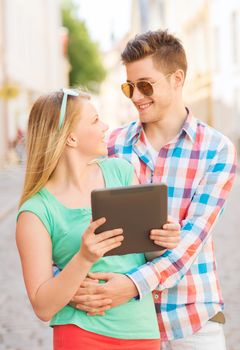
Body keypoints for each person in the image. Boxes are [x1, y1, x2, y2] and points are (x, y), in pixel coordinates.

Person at [71, 30, 237, 349]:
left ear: (177, 78)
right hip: (123, 323)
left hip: (191, 320)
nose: (135, 97)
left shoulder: (216, 150)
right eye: (128, 87)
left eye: (145, 85)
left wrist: (133, 285)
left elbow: (191, 241)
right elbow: (74, 215)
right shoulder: (112, 144)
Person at [16, 88, 181, 350]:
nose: (105, 126)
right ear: (70, 138)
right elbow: (43, 306)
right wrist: (84, 257)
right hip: (80, 334)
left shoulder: (121, 172)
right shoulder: (35, 212)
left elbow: (147, 254)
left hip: (140, 330)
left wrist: (161, 240)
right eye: (94, 120)